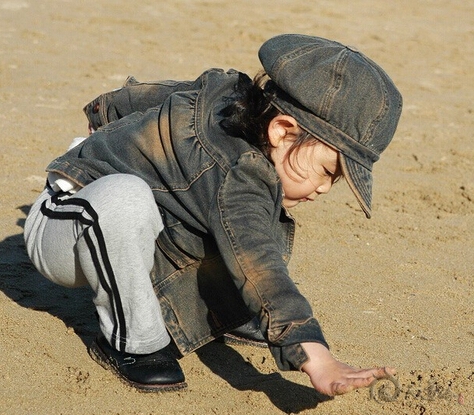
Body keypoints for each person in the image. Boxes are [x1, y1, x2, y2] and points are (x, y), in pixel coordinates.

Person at [24, 34, 403, 396]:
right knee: (130, 199)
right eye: (326, 172)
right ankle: (134, 342)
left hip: (129, 228)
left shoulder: (233, 98)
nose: (323, 189)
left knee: (219, 220)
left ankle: (220, 312)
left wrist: (103, 110)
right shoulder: (242, 174)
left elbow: (153, 95)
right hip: (67, 222)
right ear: (283, 130)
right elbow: (259, 266)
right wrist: (312, 353)